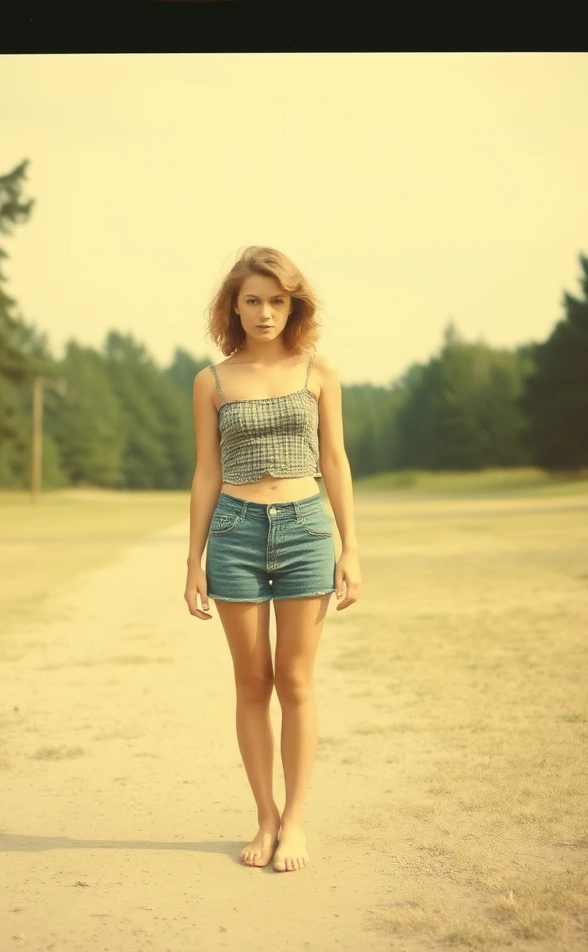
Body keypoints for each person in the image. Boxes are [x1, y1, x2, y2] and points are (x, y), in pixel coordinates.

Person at [183, 245, 362, 873]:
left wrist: (351, 548)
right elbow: (206, 472)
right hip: (234, 530)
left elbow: (335, 461)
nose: (265, 313)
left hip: (307, 530)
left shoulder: (319, 372)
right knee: (252, 682)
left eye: (277, 301)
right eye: (253, 300)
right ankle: (263, 817)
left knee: (297, 681)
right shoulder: (212, 380)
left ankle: (296, 823)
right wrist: (193, 560)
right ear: (233, 306)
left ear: (294, 305)